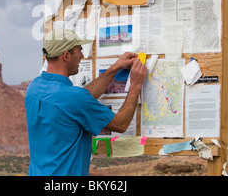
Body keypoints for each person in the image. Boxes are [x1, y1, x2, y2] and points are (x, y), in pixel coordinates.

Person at [25, 28, 147, 176]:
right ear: (66, 56)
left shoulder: (34, 87)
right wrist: (135, 86)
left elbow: (80, 100)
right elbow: (120, 124)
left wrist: (114, 68)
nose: (82, 56)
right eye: (79, 50)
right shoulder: (73, 98)